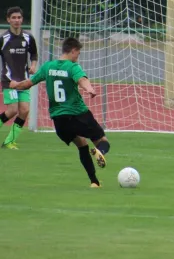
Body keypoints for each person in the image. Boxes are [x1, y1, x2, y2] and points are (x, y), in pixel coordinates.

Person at [10, 37, 110, 188]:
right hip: (78, 113)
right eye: (78, 53)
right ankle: (99, 151)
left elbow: (28, 83)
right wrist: (89, 89)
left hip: (59, 120)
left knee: (81, 144)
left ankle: (94, 182)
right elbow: (82, 79)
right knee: (103, 141)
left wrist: (15, 85)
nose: (78, 57)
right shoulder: (72, 67)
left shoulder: (48, 67)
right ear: (73, 50)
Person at [0, 6, 38, 149]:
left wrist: (34, 65)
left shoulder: (28, 37)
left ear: (22, 19)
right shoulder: (2, 39)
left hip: (24, 81)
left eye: (19, 17)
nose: (17, 20)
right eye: (13, 18)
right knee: (12, 110)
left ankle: (9, 141)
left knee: (24, 111)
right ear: (8, 20)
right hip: (9, 81)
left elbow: (34, 54)